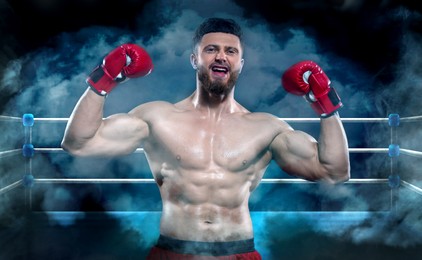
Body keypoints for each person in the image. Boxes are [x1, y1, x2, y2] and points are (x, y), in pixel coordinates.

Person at [61, 17, 350, 259]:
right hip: (172, 252)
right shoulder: (157, 118)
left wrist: (325, 104)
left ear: (240, 63)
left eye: (231, 51)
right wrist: (104, 78)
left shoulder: (266, 127)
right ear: (195, 59)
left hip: (238, 253)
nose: (221, 56)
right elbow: (79, 142)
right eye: (211, 49)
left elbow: (333, 171)